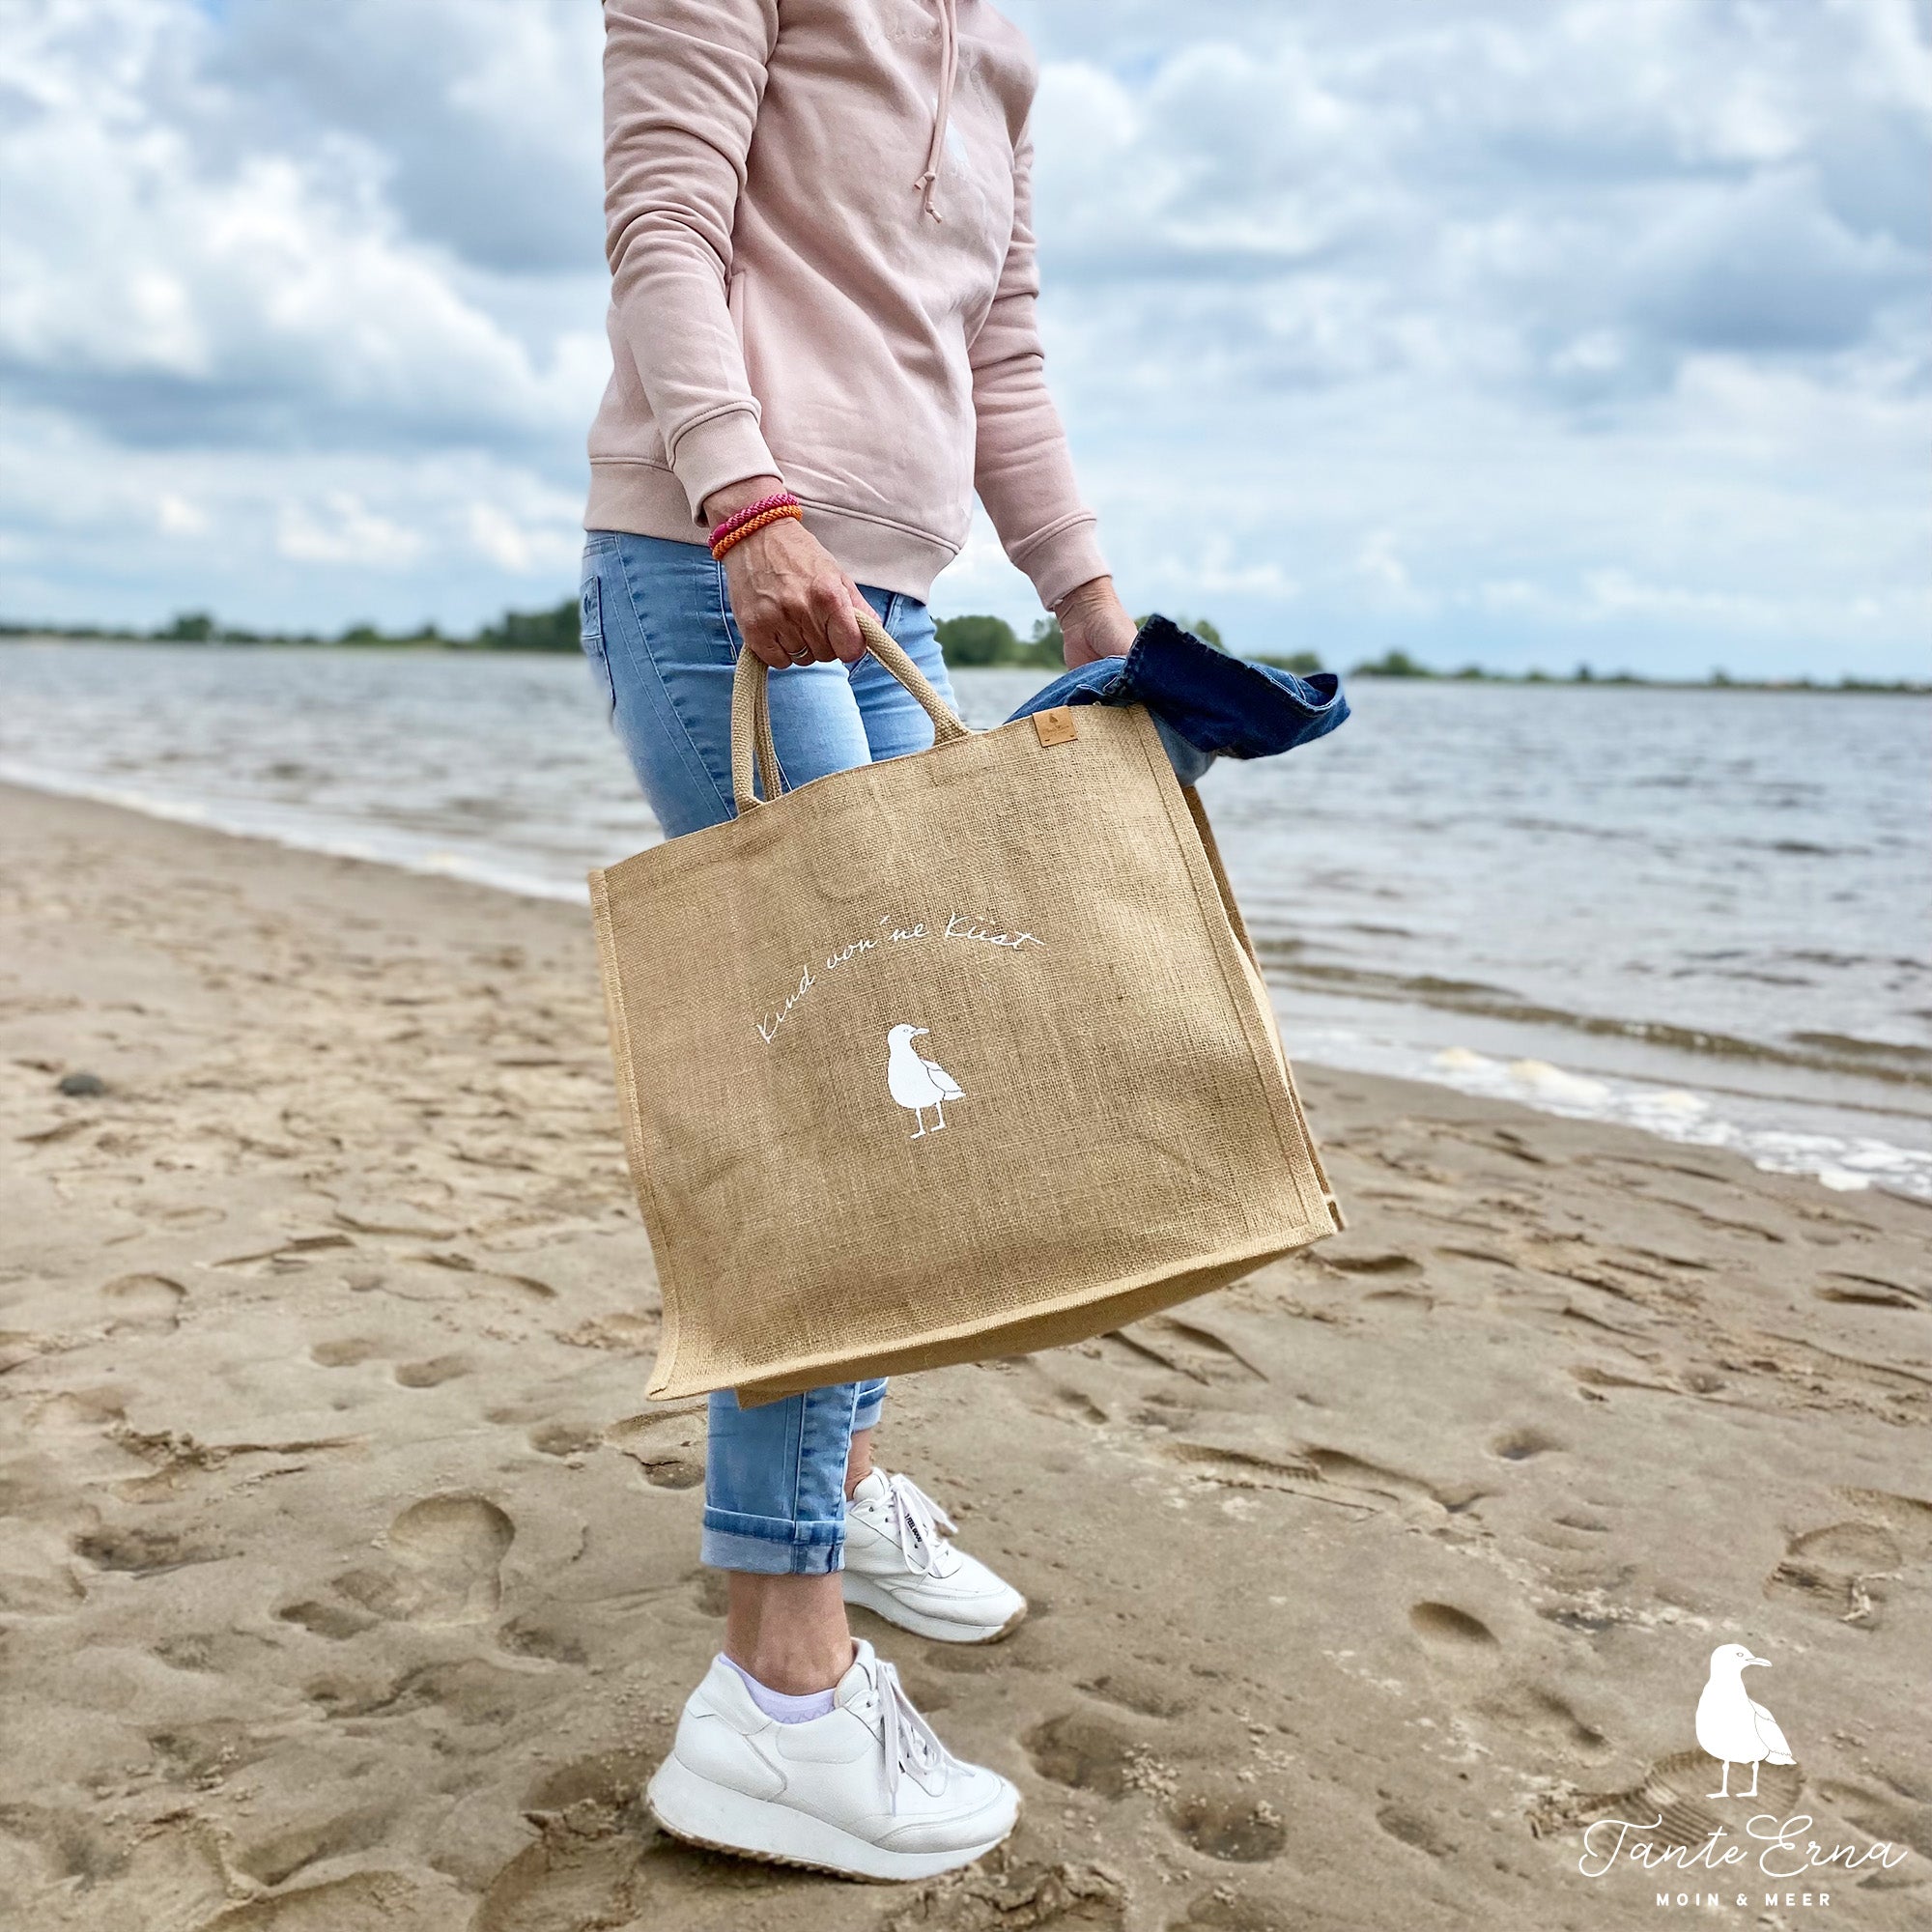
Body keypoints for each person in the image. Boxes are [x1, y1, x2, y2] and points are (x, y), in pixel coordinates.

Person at [576, 0, 1135, 1881]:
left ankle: (849, 1489)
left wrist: (1086, 595)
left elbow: (1003, 343)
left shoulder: (1001, 47)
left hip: (889, 596)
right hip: (722, 564)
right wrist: (744, 500)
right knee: (836, 1118)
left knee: (912, 1103)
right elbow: (663, 227)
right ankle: (782, 1689)